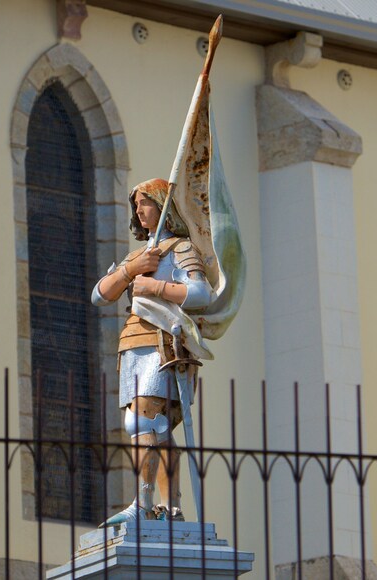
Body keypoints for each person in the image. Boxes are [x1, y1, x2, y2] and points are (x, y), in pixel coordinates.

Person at [90, 178, 212, 526]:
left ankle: (142, 505)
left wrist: (154, 285)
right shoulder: (138, 256)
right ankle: (169, 508)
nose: (139, 210)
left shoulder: (182, 249)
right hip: (132, 345)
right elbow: (100, 294)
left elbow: (201, 294)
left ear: (162, 206)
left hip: (165, 343)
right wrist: (132, 270)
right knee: (151, 428)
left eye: (145, 203)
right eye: (137, 205)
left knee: (144, 422)